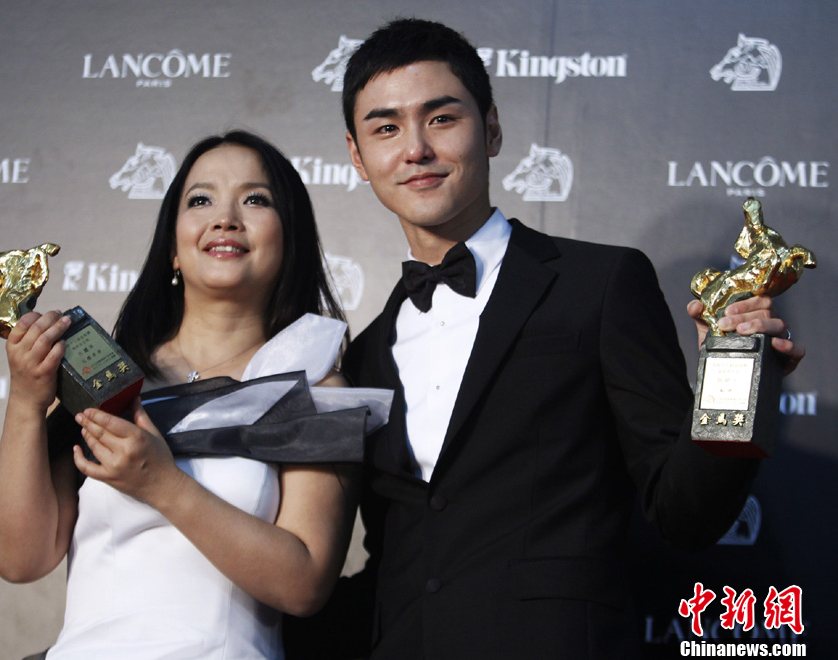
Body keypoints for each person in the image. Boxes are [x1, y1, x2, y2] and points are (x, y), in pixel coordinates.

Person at [283, 18, 805, 659]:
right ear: (357, 156)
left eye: (441, 118)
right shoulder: (362, 357)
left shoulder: (600, 285)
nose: (415, 148)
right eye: (386, 128)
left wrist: (734, 377)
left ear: (491, 129)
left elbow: (685, 515)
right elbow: (395, 564)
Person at [0, 130, 389, 659]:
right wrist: (27, 401)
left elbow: (304, 583)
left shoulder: (311, 384)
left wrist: (162, 484)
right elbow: (20, 560)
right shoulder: (104, 376)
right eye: (201, 200)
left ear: (291, 240)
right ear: (172, 247)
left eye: (256, 200)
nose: (225, 218)